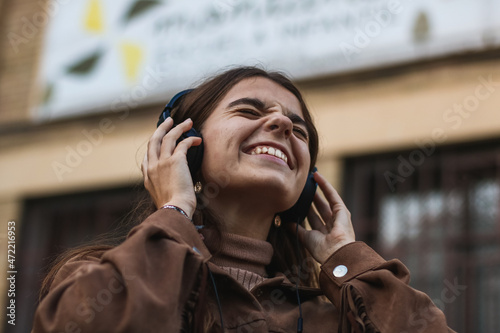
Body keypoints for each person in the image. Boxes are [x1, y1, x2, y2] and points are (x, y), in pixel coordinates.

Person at [33, 66, 454, 332]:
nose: (282, 125)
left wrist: (347, 260)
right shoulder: (95, 279)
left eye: (298, 128)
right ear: (185, 147)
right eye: (250, 112)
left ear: (305, 187)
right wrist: (174, 210)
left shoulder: (331, 319)